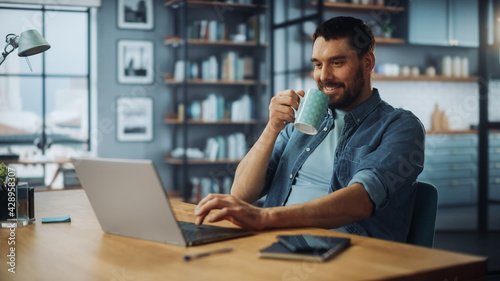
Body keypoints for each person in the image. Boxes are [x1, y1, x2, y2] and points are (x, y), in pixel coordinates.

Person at [194, 16, 425, 242]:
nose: (324, 76)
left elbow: (361, 201)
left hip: (345, 257)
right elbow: (241, 194)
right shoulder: (303, 121)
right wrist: (273, 126)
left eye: (337, 63)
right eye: (317, 65)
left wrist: (264, 216)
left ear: (367, 63)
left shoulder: (399, 126)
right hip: (273, 241)